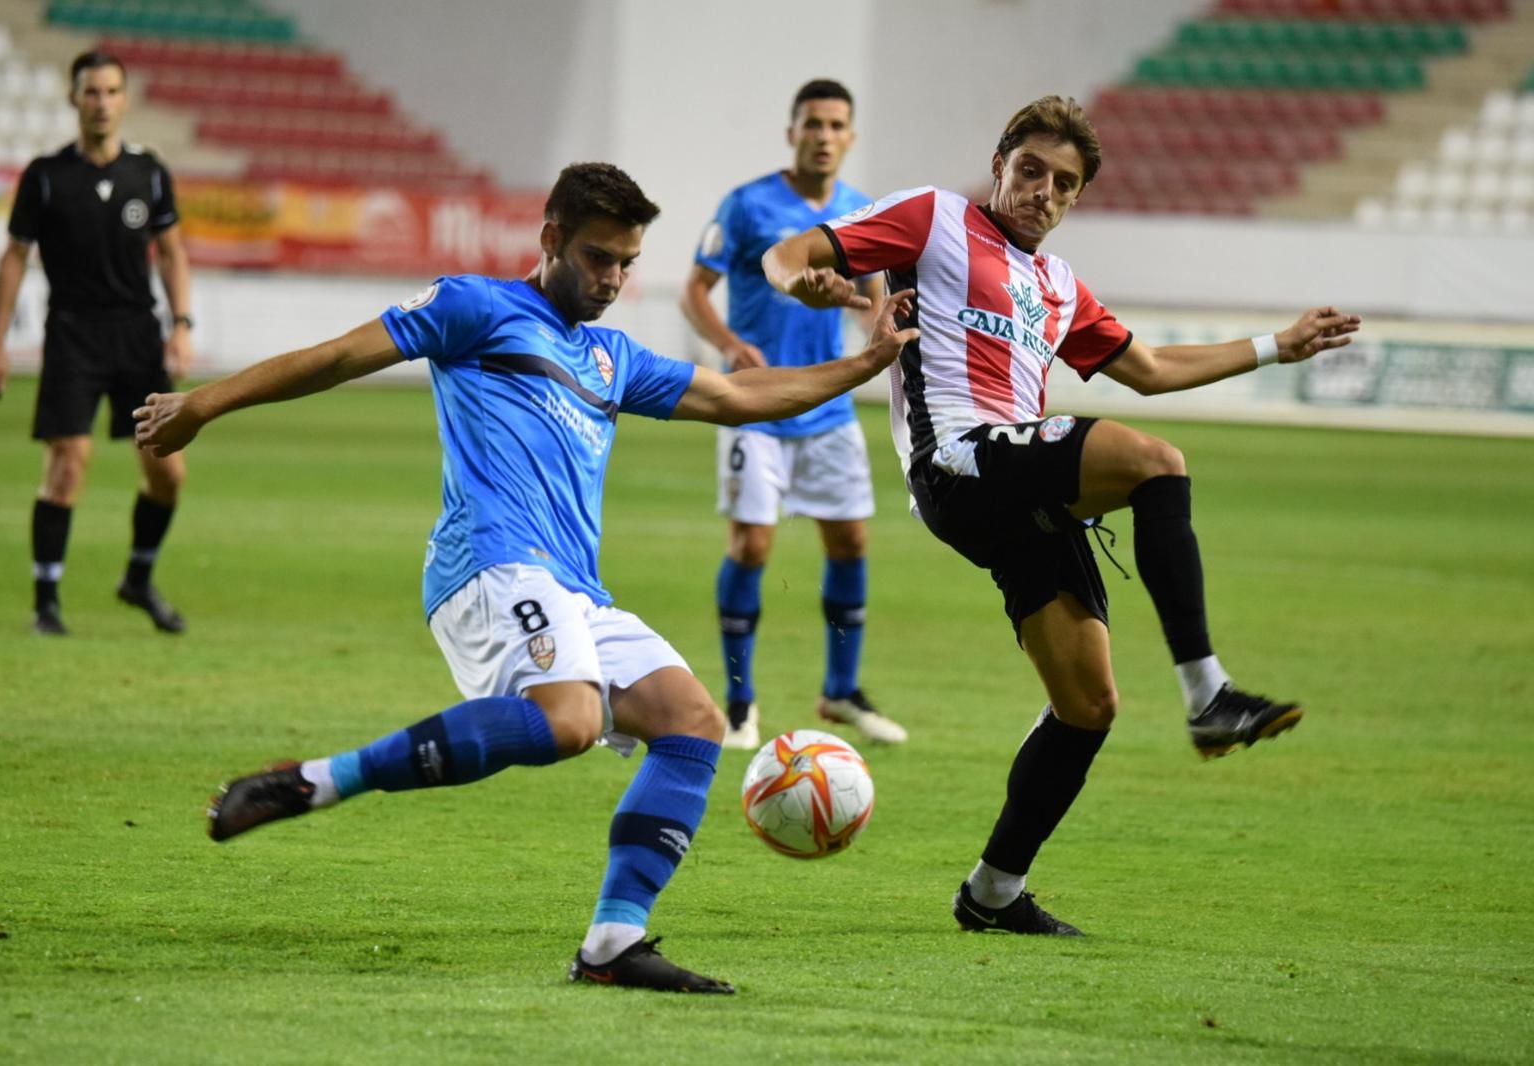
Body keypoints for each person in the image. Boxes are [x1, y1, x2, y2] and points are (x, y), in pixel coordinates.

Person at [133, 162, 917, 993]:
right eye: (595, 257)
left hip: (574, 586)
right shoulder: (474, 307)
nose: (612, 278)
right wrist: (204, 403)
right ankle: (314, 782)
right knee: (571, 720)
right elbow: (335, 357)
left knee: (692, 721)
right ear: (549, 240)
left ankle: (614, 944)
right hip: (489, 561)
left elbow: (735, 395)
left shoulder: (612, 357)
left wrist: (865, 365)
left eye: (625, 262)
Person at [762, 95, 1360, 936]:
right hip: (962, 460)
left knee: (1088, 707)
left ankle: (993, 892)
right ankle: (1208, 693)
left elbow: (1148, 368)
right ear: (1000, 163)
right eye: (1031, 170)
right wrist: (811, 285)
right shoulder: (933, 219)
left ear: (1076, 200)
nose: (1043, 190)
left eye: (1064, 183)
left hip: (1017, 491)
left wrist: (1274, 346)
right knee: (1158, 463)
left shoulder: (1057, 284)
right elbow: (785, 254)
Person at [680, 79, 903, 750]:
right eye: (813, 123)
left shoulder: (861, 212)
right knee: (752, 546)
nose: (825, 135)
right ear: (792, 132)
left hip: (826, 407)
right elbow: (695, 289)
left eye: (837, 125)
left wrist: (869, 314)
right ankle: (741, 705)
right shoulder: (747, 205)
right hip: (754, 404)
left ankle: (840, 691)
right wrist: (727, 344)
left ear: (851, 137)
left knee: (851, 542)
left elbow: (876, 300)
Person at [0, 50, 193, 637]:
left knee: (168, 473)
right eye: (90, 92)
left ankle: (137, 578)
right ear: (73, 99)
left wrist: (182, 324)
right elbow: (14, 259)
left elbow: (174, 252)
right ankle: (46, 602)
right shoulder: (46, 176)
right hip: (73, 333)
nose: (101, 103)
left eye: (110, 92)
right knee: (68, 464)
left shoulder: (148, 173)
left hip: (137, 336)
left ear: (124, 100)